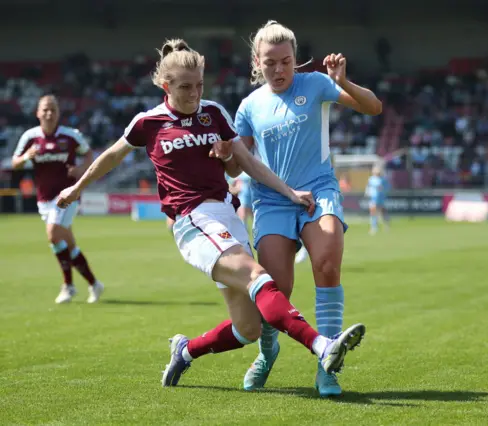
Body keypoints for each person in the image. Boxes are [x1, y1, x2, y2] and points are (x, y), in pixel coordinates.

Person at [55, 39, 366, 388]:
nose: (194, 93)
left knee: (248, 328)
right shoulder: (149, 122)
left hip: (227, 217)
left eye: (199, 85)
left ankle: (185, 351)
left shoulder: (214, 112)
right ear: (165, 86)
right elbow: (111, 156)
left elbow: (244, 164)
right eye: (185, 87)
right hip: (192, 220)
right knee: (259, 278)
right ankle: (322, 347)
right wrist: (77, 188)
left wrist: (286, 191)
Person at [222, 21, 382, 397]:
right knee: (276, 289)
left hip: (319, 190)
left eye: (286, 62)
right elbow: (236, 163)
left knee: (327, 260)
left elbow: (373, 108)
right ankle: (267, 351)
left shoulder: (316, 84)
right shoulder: (248, 107)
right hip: (273, 200)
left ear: (296, 61)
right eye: (270, 63)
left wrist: (343, 81)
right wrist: (224, 154)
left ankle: (327, 366)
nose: (278, 70)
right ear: (256, 63)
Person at [12, 95, 104, 304]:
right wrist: (27, 156)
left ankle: (68, 286)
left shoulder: (71, 136)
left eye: (53, 109)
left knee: (53, 234)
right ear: (37, 113)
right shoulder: (30, 137)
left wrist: (81, 169)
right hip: (43, 199)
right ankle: (94, 284)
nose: (49, 113)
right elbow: (14, 162)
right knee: (68, 245)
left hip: (66, 195)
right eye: (45, 109)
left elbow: (89, 154)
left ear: (58, 113)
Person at [366, 164, 390, 235]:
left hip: (381, 198)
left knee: (383, 212)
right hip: (373, 197)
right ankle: (374, 227)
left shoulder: (383, 179)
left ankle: (387, 225)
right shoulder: (371, 179)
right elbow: (368, 187)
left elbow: (387, 187)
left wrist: (383, 190)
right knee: (373, 212)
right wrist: (367, 193)